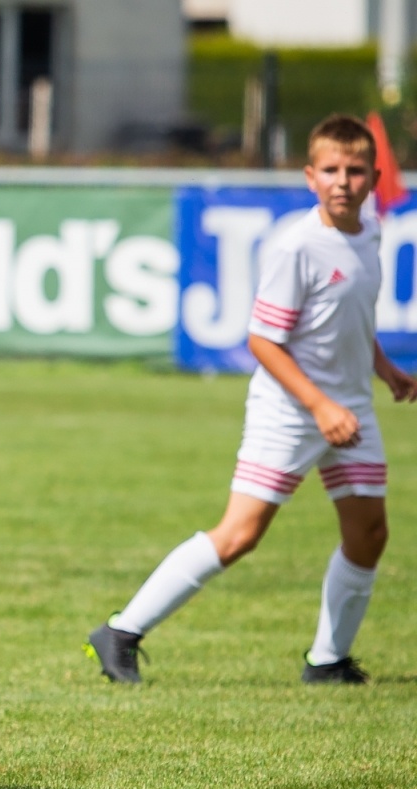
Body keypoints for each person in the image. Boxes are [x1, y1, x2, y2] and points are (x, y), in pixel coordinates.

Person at [87, 114, 417, 684]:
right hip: (291, 410)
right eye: (331, 170)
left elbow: (347, 319)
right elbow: (262, 341)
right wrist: (319, 406)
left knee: (369, 534)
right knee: (240, 534)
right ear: (310, 176)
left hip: (348, 408)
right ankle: (120, 631)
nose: (343, 181)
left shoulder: (370, 232)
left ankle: (327, 661)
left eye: (355, 170)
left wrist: (383, 369)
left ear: (374, 176)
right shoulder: (297, 247)